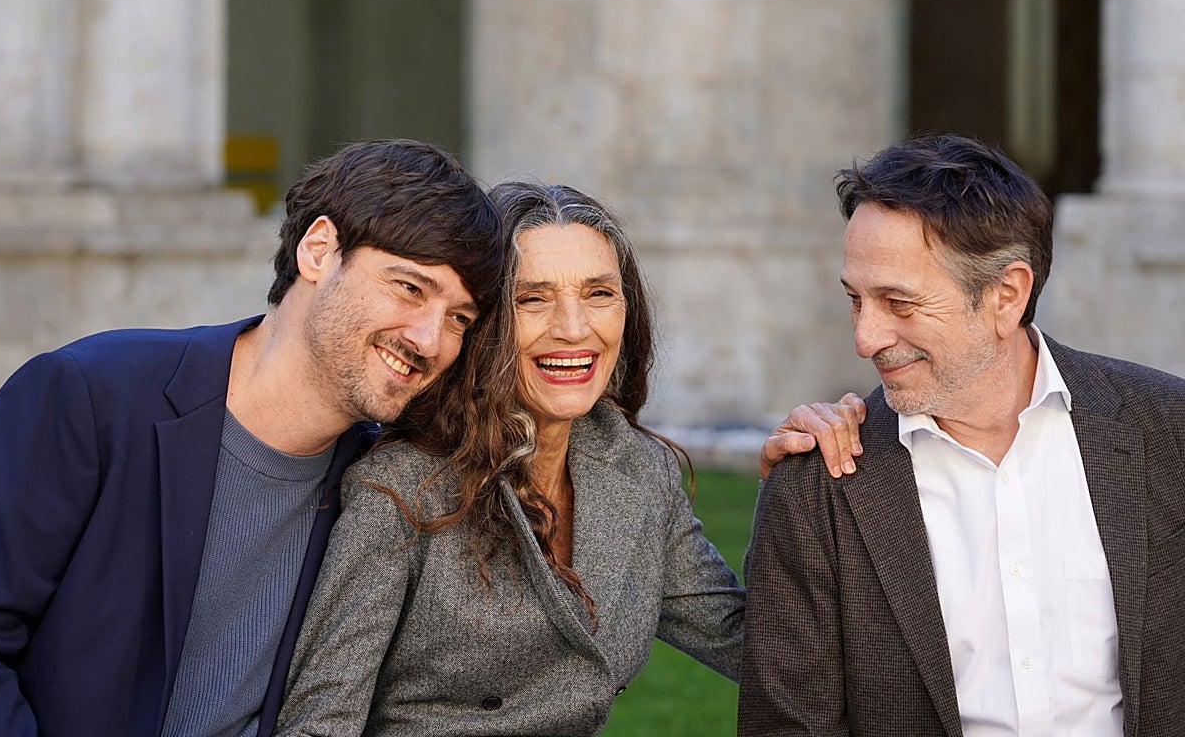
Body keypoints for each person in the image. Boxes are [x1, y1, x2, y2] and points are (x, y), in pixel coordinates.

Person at [274, 182, 861, 736]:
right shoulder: (399, 488)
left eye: (598, 294)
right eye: (533, 299)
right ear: (485, 323)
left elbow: (761, 646)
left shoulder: (635, 470)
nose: (574, 329)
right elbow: (321, 721)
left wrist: (793, 491)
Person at [0, 140, 505, 737]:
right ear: (318, 251)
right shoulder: (91, 398)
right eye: (410, 288)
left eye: (459, 318)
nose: (430, 339)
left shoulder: (385, 486)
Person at [738, 134, 1185, 736]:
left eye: (899, 302)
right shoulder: (816, 486)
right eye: (856, 301)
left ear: (1007, 296)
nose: (866, 339)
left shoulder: (1168, 433)